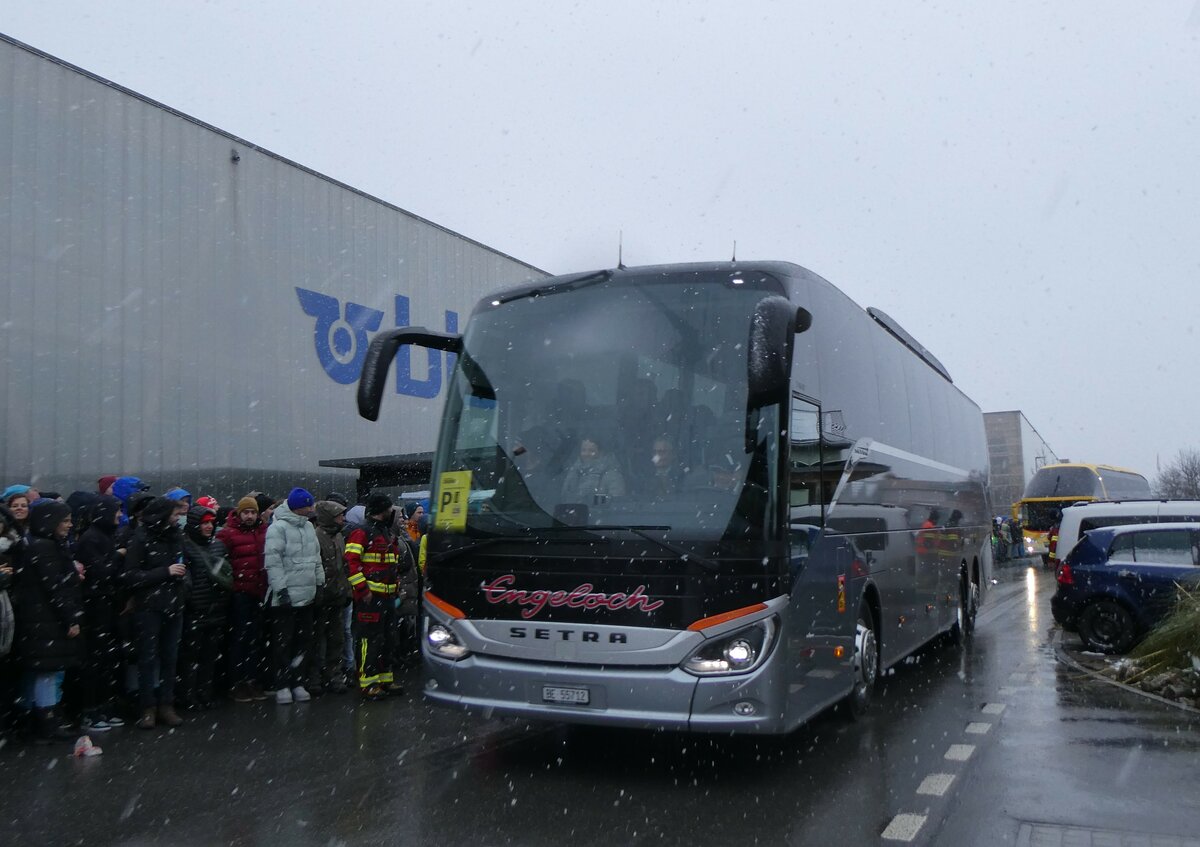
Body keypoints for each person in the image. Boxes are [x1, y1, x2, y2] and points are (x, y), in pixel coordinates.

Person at [13, 500, 83, 743]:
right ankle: (47, 723)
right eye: (65, 521)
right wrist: (70, 619)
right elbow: (56, 588)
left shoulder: (35, 544)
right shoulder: (46, 547)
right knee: (48, 673)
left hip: (37, 620)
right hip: (46, 621)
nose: (69, 525)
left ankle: (33, 722)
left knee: (38, 673)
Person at [123, 496, 190, 729]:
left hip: (174, 604)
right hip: (149, 607)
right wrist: (165, 572)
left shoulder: (176, 536)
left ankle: (166, 704)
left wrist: (183, 584)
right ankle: (147, 707)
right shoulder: (141, 538)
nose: (178, 518)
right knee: (148, 658)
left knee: (170, 657)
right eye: (174, 514)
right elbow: (131, 575)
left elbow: (186, 566)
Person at [263, 488, 324, 705]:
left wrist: (319, 583)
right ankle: (282, 684)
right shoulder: (277, 528)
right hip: (286, 596)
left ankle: (298, 682)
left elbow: (316, 557)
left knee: (303, 641)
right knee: (283, 642)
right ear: (299, 507)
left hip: (307, 594)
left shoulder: (308, 527)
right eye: (307, 506)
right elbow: (273, 561)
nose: (310, 510)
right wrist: (281, 590)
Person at [74, 494, 126, 731]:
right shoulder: (90, 539)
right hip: (95, 606)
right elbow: (102, 571)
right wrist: (118, 556)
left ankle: (104, 705)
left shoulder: (106, 535)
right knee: (95, 659)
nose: (119, 515)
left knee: (107, 659)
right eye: (116, 511)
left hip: (107, 604)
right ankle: (90, 710)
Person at [345, 493, 404, 699]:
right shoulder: (362, 532)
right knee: (369, 640)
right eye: (389, 509)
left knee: (388, 639)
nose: (392, 513)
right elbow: (351, 564)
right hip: (370, 598)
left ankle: (384, 679)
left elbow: (391, 564)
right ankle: (367, 683)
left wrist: (396, 587)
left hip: (387, 597)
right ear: (382, 509)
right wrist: (363, 590)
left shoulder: (386, 532)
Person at [178, 505, 230, 710]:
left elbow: (227, 574)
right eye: (204, 523)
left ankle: (204, 692)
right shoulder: (186, 547)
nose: (209, 526)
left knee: (209, 655)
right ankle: (188, 695)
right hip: (195, 610)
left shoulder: (218, 546)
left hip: (215, 608)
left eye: (211, 522)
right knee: (190, 656)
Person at [218, 496, 269, 703]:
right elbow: (219, 563)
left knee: (255, 638)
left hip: (259, 591)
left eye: (253, 512)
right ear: (239, 513)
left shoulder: (264, 532)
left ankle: (252, 680)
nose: (249, 516)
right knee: (240, 638)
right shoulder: (228, 534)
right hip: (240, 593)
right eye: (246, 512)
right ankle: (237, 683)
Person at [309, 500, 350, 694]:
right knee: (318, 640)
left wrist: (347, 590)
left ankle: (334, 676)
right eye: (339, 515)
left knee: (337, 639)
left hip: (338, 595)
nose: (343, 518)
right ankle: (315, 678)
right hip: (322, 597)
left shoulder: (339, 536)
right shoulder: (315, 537)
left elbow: (344, 567)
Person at [560, 435, 627, 503]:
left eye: (591, 451)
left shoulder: (613, 476)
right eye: (583, 450)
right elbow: (564, 498)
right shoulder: (574, 472)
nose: (586, 454)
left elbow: (617, 504)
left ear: (601, 453)